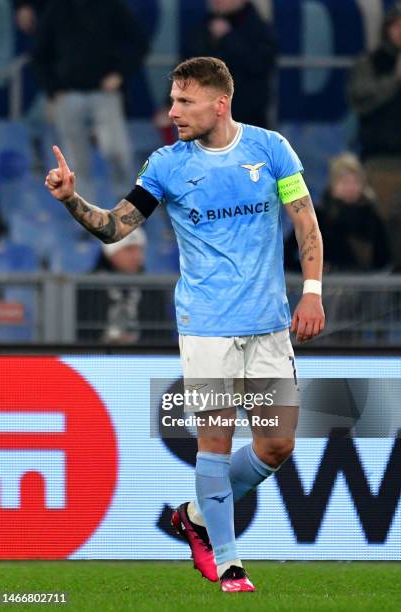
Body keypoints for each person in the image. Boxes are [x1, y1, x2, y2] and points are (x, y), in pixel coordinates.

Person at [44, 57, 325, 593]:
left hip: (268, 323)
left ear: (220, 104)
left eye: (184, 101)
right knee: (214, 444)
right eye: (173, 100)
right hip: (206, 324)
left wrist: (311, 293)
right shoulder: (166, 165)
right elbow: (113, 228)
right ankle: (229, 563)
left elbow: (305, 223)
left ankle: (194, 515)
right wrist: (71, 200)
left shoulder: (270, 150)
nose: (173, 112)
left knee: (276, 448)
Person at [32, 0, 148, 201]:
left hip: (104, 93)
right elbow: (39, 54)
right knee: (75, 162)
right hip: (67, 94)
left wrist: (120, 73)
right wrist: (53, 89)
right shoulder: (57, 9)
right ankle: (84, 214)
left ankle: (127, 204)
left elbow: (138, 43)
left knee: (116, 151)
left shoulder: (112, 7)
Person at [286, 153, 391, 272]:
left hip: (364, 286)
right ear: (333, 185)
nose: (350, 187)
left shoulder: (372, 217)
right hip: (327, 286)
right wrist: (311, 270)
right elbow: (287, 255)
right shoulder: (317, 216)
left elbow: (385, 260)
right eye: (345, 182)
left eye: (355, 182)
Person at [182, 0, 277, 128]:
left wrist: (228, 38)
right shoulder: (204, 27)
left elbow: (260, 63)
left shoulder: (258, 28)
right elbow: (186, 67)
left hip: (246, 118)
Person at [348, 2, 401, 221]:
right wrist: (396, 79)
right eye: (398, 25)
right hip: (380, 160)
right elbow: (362, 101)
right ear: (387, 28)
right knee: (380, 224)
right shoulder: (369, 64)